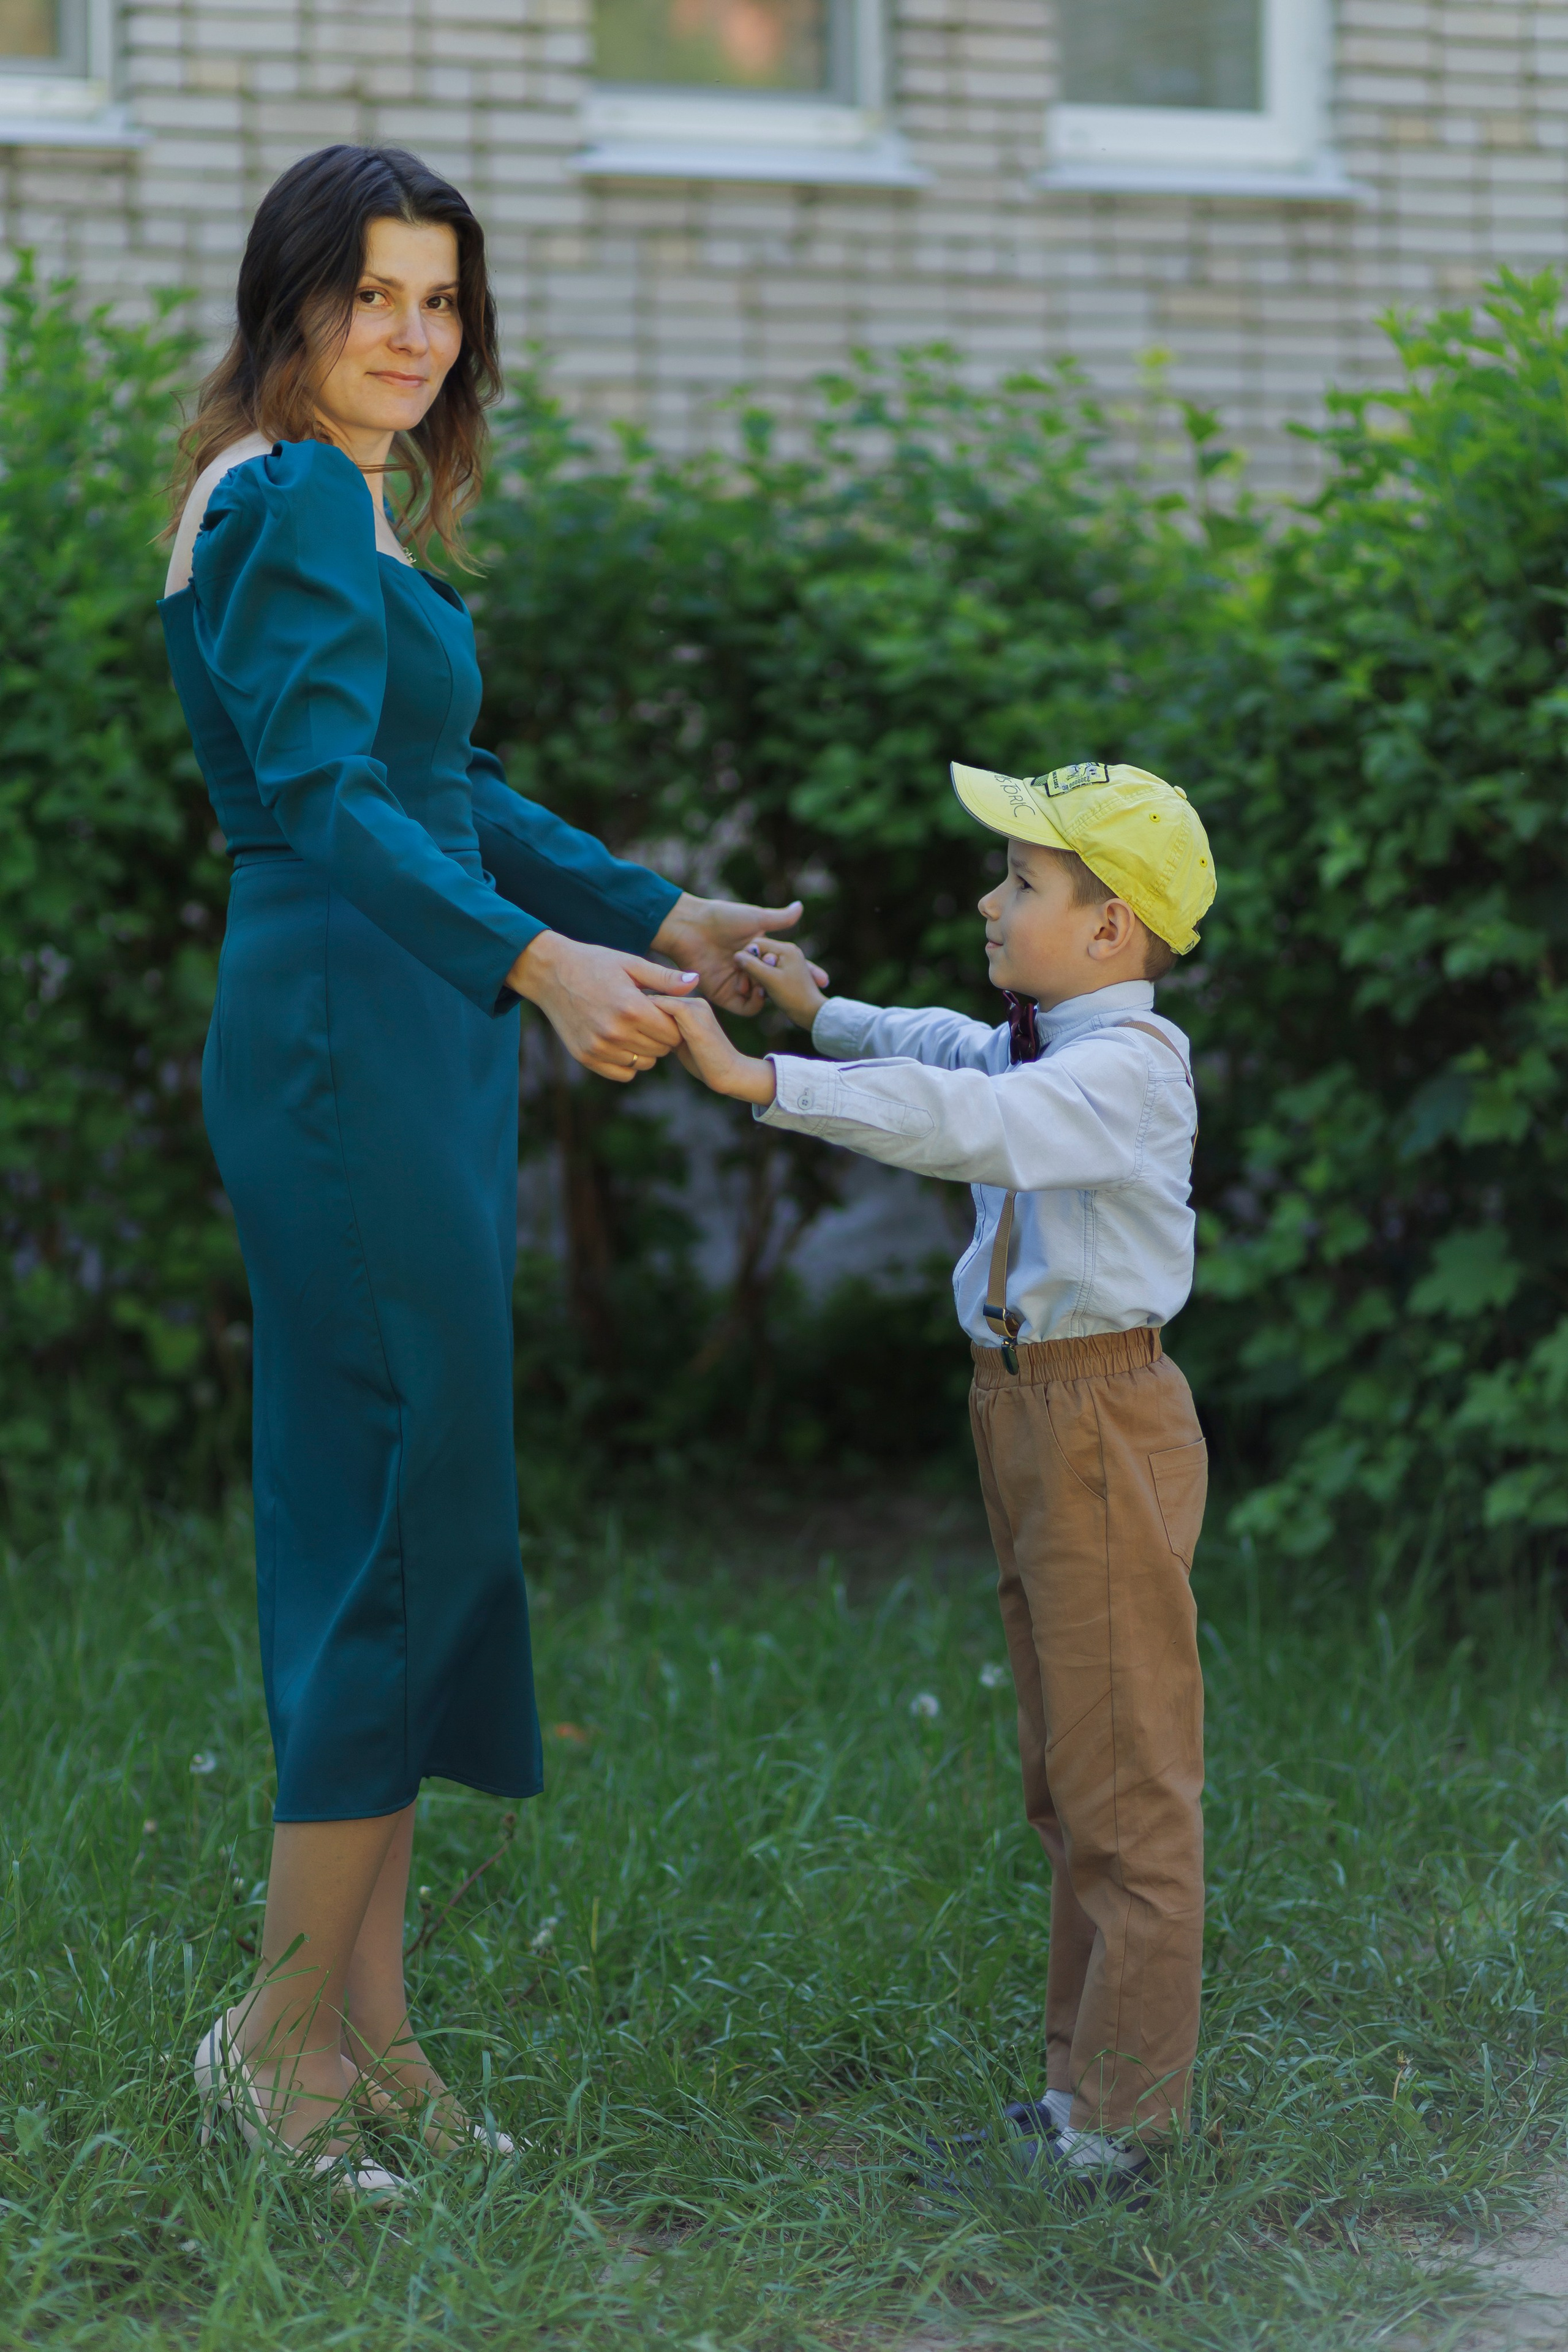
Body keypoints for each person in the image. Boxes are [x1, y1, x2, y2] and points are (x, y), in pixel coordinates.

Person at [160, 143, 817, 2196]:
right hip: (354, 1016)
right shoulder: (279, 494)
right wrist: (540, 966)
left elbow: (454, 784)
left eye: (440, 299)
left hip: (406, 1009)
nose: (410, 333)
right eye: (371, 293)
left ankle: (376, 2035)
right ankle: (274, 2043)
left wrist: (665, 909)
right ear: (292, 308)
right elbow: (334, 801)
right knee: (379, 1510)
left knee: (425, 1501)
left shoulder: (353, 508)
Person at [666, 758, 1216, 2195]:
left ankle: (1126, 2126)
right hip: (1031, 1415)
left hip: (1098, 1421)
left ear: (1109, 930)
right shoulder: (1044, 1044)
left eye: (1021, 882)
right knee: (1066, 1778)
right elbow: (953, 1057)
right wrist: (823, 1013)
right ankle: (1074, 2095)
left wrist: (765, 1080)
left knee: (1127, 1789)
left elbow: (964, 1121)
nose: (989, 897)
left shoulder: (1118, 1078)